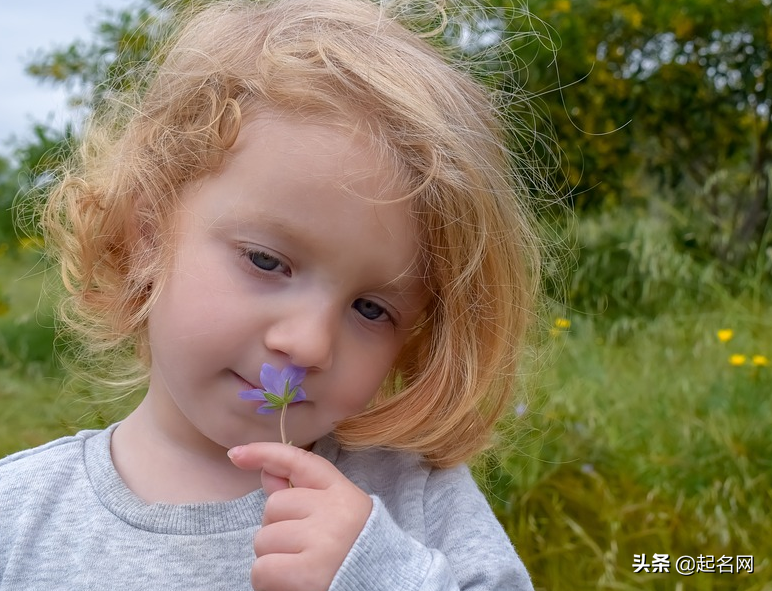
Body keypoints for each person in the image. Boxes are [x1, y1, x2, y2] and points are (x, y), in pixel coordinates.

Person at [0, 0, 544, 589]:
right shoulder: (20, 515)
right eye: (266, 261)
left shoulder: (413, 498)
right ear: (147, 236)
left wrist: (379, 575)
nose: (309, 344)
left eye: (371, 308)